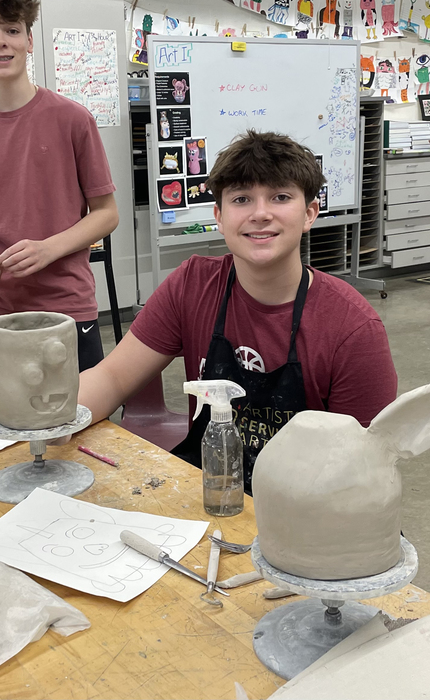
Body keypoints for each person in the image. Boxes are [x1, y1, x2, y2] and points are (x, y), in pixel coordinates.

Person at [79, 130, 399, 489]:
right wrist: (49, 421)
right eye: (242, 199)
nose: (260, 214)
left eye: (280, 197)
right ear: (219, 216)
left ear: (309, 213)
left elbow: (364, 474)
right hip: (207, 491)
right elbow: (112, 378)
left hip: (309, 507)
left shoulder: (353, 329)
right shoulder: (192, 285)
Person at [0, 0, 119, 367]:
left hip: (66, 304)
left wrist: (48, 249)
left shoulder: (73, 120)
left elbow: (106, 214)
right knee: (3, 404)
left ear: (29, 40)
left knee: (82, 404)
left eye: (12, 30)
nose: (0, 42)